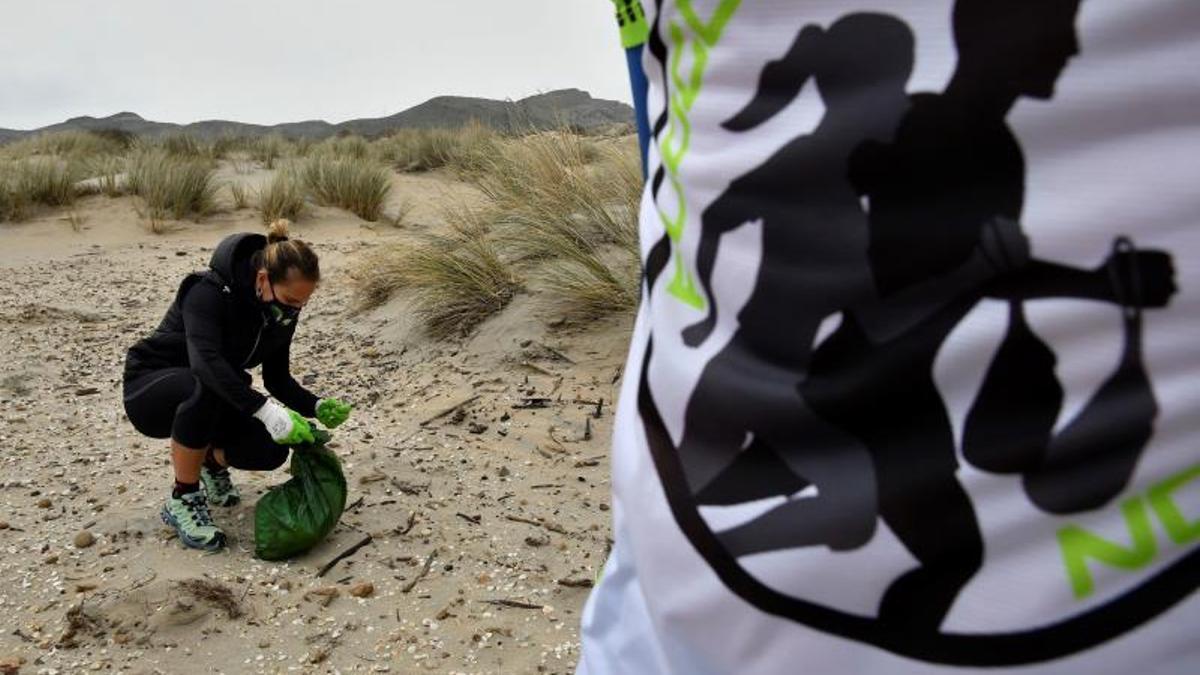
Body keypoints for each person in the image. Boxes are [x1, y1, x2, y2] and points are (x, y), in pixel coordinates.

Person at [579, 0, 1197, 673]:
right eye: (1056, 37)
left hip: (872, 392)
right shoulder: (932, 138)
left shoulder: (979, 143)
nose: (1068, 53)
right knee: (846, 526)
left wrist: (1099, 285)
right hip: (854, 384)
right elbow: (882, 306)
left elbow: (985, 277)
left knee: (908, 543)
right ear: (1006, 44)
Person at [122, 220, 353, 552]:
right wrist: (266, 410)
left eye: (302, 304)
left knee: (271, 447)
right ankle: (183, 497)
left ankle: (211, 463)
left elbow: (277, 378)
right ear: (263, 279)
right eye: (290, 300)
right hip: (151, 388)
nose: (294, 310)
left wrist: (315, 406)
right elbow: (206, 365)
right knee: (208, 385)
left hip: (214, 393)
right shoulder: (207, 292)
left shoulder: (282, 311)